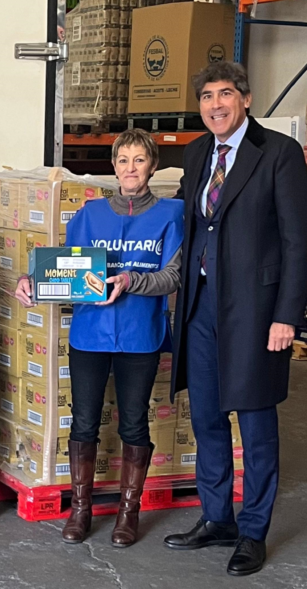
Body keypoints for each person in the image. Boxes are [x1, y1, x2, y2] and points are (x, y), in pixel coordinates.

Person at [165, 62, 307, 576]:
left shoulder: (280, 154)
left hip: (256, 312)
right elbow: (185, 221)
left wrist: (288, 315)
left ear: (246, 99)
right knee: (206, 419)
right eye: (206, 96)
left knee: (256, 423)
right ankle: (217, 518)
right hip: (200, 308)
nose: (215, 104)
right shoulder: (198, 152)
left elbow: (298, 241)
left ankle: (253, 531)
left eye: (225, 94)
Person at [16, 129, 184, 547]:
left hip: (140, 334)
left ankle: (129, 512)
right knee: (85, 421)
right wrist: (32, 281)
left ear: (152, 166)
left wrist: (130, 280)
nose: (131, 168)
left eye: (139, 160)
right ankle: (81, 508)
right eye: (123, 160)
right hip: (90, 334)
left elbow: (174, 275)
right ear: (113, 167)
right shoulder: (89, 215)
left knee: (133, 422)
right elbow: (66, 272)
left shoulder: (171, 215)